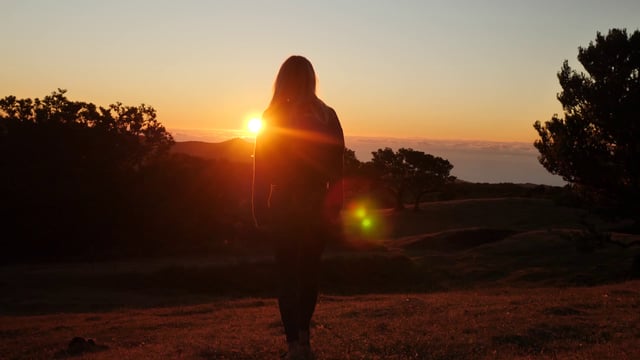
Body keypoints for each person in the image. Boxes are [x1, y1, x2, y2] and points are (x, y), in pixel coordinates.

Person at [252, 55, 344, 359]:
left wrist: (258, 205)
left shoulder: (273, 115)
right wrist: (335, 204)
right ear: (311, 79)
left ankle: (293, 345)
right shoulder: (328, 116)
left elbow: (262, 164)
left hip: (284, 203)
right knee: (309, 273)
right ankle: (304, 340)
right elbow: (338, 166)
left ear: (282, 80)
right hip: (317, 203)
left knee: (288, 275)